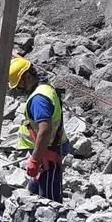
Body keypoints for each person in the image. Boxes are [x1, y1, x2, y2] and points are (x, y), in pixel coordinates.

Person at [9, 57, 70, 203]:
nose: (18, 90)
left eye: (19, 85)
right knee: (35, 190)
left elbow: (45, 130)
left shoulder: (38, 99)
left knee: (49, 200)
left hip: (48, 152)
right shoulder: (43, 86)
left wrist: (35, 160)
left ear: (27, 77)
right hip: (45, 149)